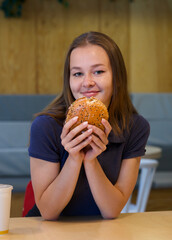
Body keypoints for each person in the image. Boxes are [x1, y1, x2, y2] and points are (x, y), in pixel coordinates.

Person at [27, 31, 150, 220]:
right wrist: (75, 158)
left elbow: (111, 211)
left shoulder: (135, 128)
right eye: (77, 73)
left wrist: (91, 161)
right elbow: (48, 212)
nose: (87, 83)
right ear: (68, 81)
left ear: (117, 77)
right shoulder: (45, 127)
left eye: (98, 71)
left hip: (100, 229)